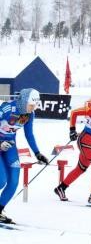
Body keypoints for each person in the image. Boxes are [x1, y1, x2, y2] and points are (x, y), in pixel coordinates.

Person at [0, 88, 48, 224]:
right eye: (31, 105)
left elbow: (29, 134)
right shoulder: (7, 108)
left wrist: (37, 153)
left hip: (10, 146)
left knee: (14, 181)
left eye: (35, 105)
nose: (33, 108)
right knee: (1, 180)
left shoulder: (29, 115)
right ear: (23, 101)